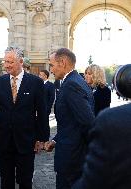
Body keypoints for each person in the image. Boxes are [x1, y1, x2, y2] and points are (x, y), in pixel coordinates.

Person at [0, 46, 49, 189]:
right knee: (6, 180)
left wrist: (42, 138)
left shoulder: (35, 83)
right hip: (4, 140)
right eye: (5, 62)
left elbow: (42, 112)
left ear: (21, 61)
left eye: (10, 62)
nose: (6, 65)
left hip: (27, 140)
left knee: (25, 180)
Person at [72, 64, 131, 189]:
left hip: (96, 127)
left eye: (89, 74)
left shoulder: (103, 90)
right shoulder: (86, 88)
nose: (86, 76)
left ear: (96, 75)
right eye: (86, 73)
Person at [44, 48, 95, 189]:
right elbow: (71, 122)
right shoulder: (76, 80)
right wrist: (55, 140)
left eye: (52, 65)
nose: (51, 70)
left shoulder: (71, 85)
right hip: (74, 155)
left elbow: (87, 122)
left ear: (63, 62)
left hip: (72, 159)